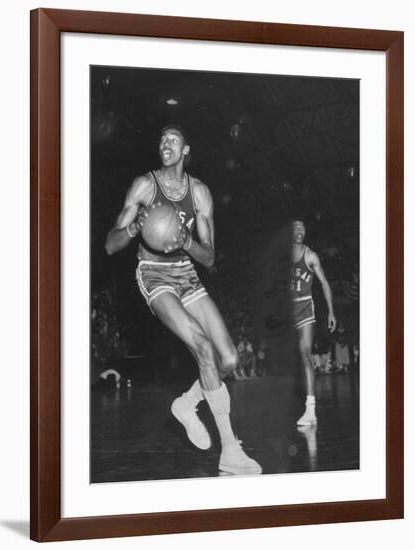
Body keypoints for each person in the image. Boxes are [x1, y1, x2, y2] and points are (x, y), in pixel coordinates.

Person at [105, 125, 261, 475]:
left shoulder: (201, 193)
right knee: (203, 348)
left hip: (186, 274)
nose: (166, 143)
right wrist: (132, 230)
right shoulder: (144, 186)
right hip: (153, 275)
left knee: (231, 358)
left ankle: (187, 404)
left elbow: (209, 259)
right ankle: (230, 450)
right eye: (161, 139)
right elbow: (109, 244)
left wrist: (185, 240)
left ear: (185, 149)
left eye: (173, 139)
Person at [290, 220, 336, 425]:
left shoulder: (310, 255)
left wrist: (331, 312)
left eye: (303, 227)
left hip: (304, 309)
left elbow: (325, 283)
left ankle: (311, 411)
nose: (300, 231)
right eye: (296, 228)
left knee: (305, 353)